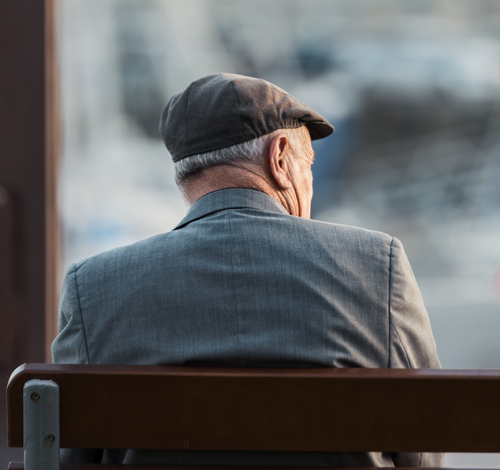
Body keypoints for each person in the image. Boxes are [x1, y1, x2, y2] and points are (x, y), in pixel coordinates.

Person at [52, 73, 442, 467]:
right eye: (308, 164)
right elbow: (424, 445)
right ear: (279, 157)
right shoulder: (376, 263)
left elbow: (68, 458)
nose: (308, 182)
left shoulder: (93, 286)